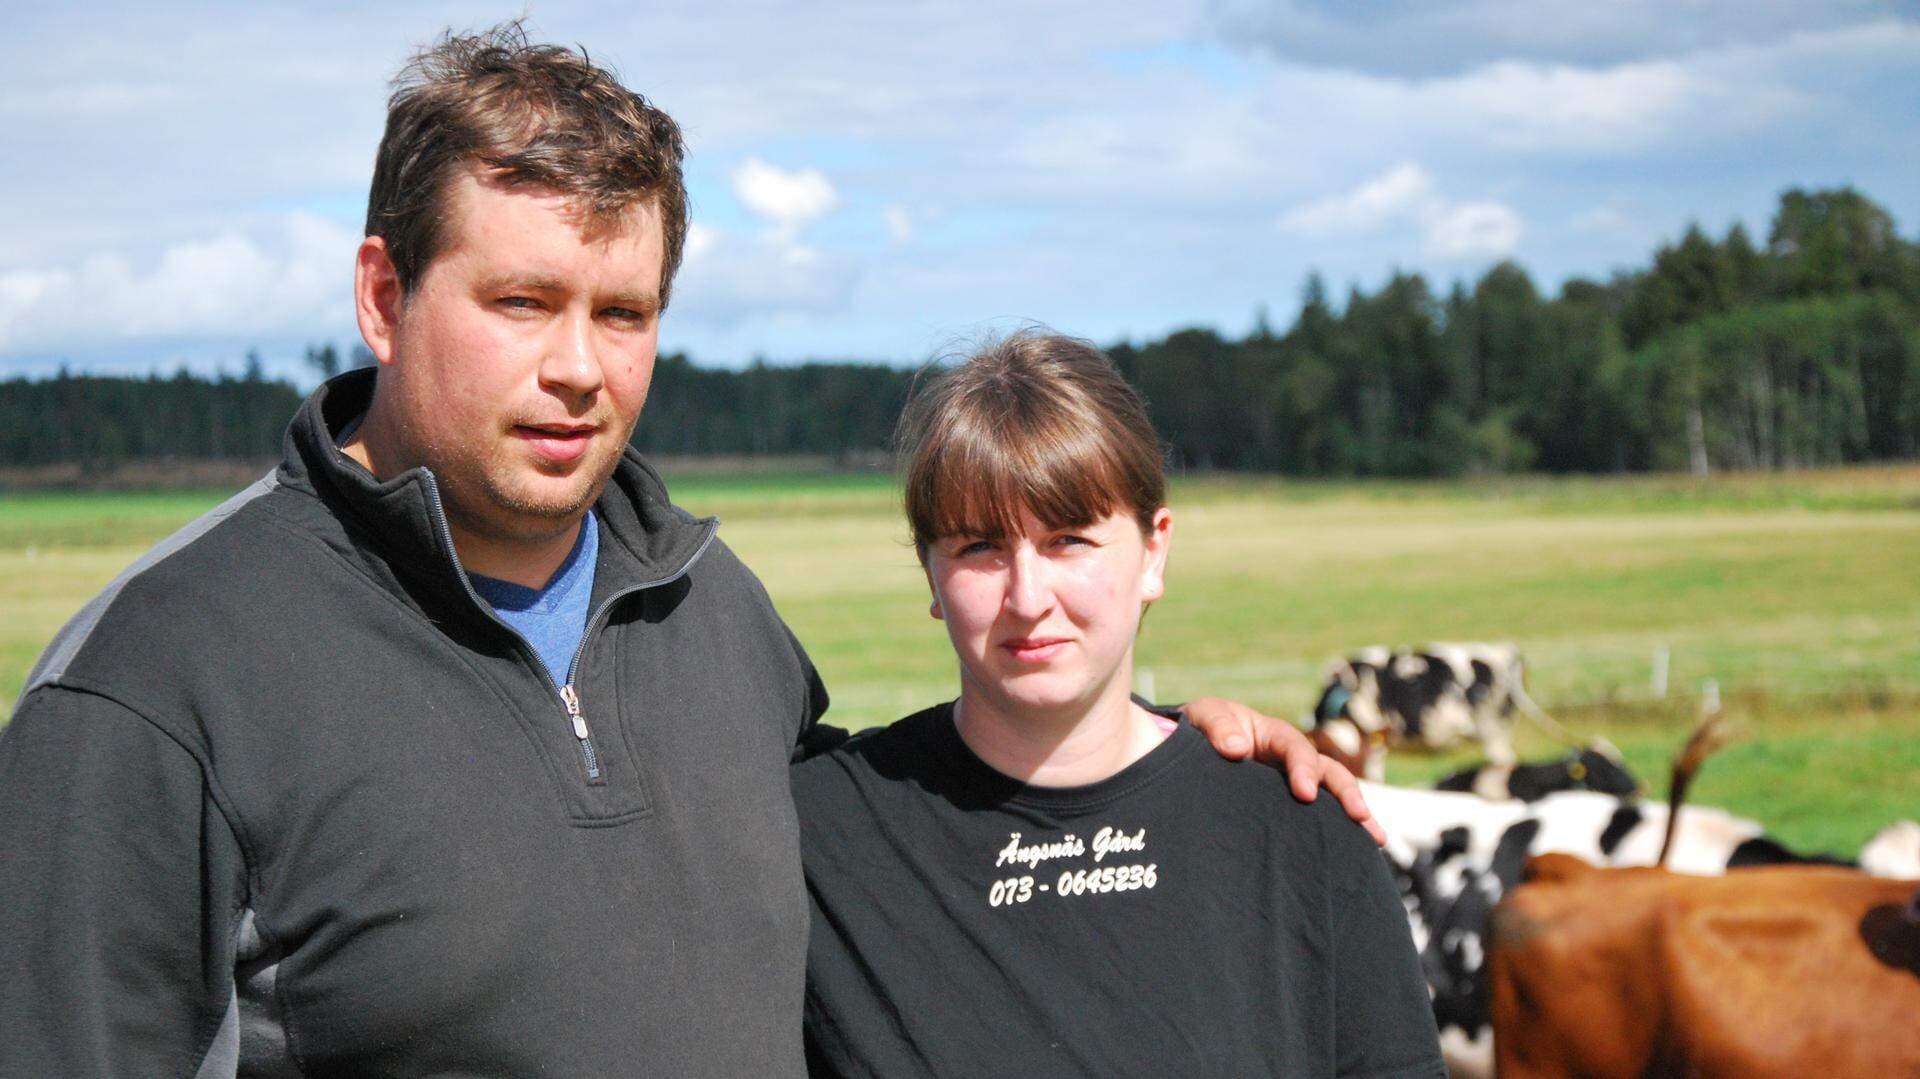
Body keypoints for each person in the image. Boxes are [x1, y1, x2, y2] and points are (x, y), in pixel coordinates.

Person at [0, 24, 1372, 1077]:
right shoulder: (152, 688)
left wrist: (1185, 760)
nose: (577, 368)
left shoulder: (712, 608)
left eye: (625, 311)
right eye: (522, 301)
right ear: (382, 293)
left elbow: (931, 841)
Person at [796, 333, 1443, 1076]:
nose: (1029, 598)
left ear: (1154, 549)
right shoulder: (823, 834)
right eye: (979, 547)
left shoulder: (1299, 832)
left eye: (1069, 539)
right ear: (929, 572)